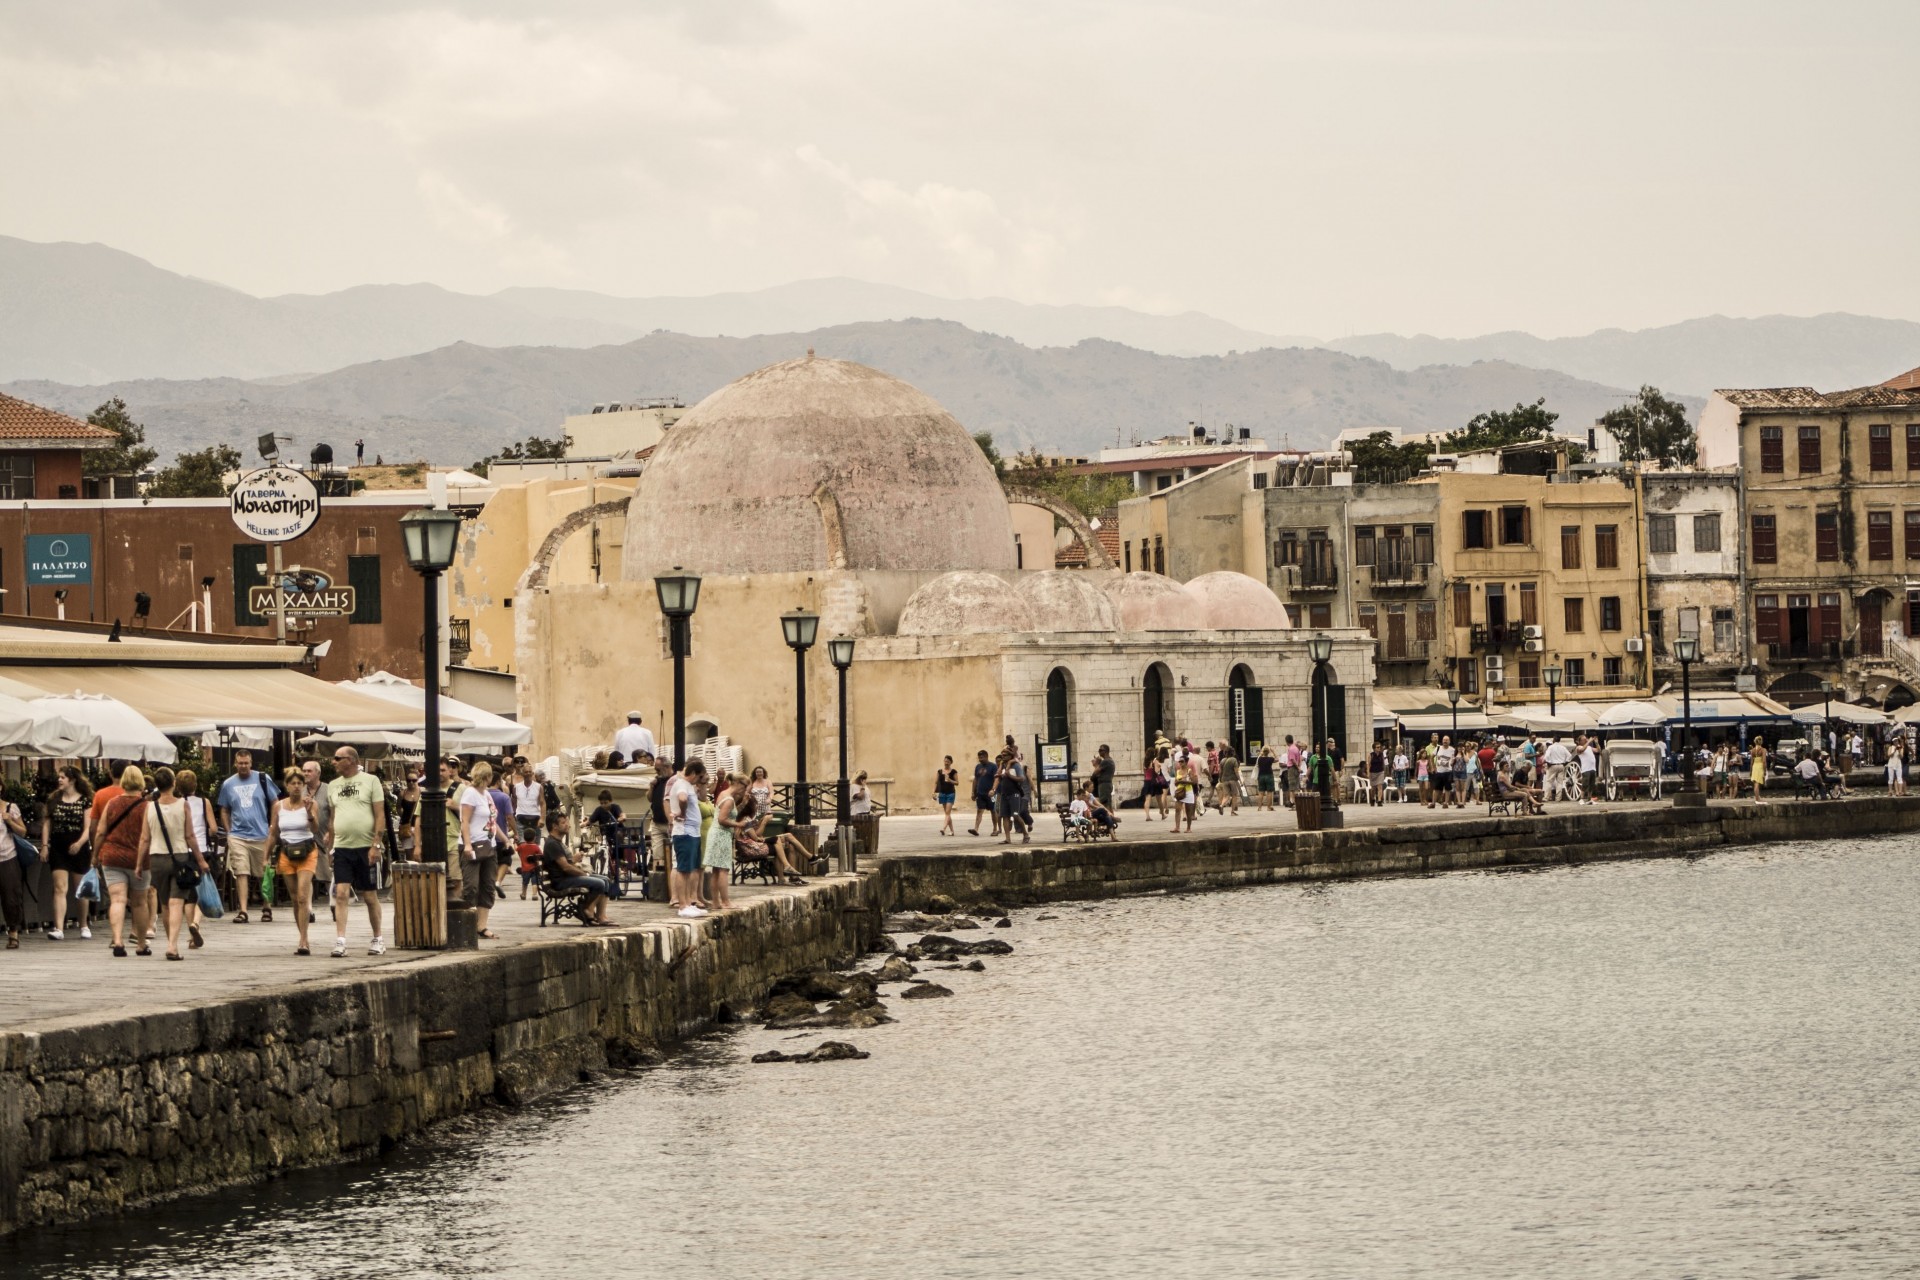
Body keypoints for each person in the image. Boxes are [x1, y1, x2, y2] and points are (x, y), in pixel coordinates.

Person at [325, 747, 387, 958]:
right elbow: (333, 818)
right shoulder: (333, 786)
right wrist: (331, 845)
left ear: (350, 760)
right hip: (343, 847)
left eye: (337, 758)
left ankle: (378, 937)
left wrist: (376, 844)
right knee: (341, 893)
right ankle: (340, 940)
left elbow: (380, 814)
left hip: (366, 846)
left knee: (369, 895)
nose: (333, 762)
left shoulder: (371, 781)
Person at [143, 767, 209, 962]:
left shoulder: (149, 807)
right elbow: (190, 836)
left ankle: (170, 943)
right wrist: (200, 859)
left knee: (165, 904)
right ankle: (172, 945)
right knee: (177, 902)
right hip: (179, 857)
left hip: (156, 858)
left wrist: (139, 864)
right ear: (173, 784)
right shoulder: (183, 805)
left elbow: (144, 839)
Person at [95, 765, 152, 957]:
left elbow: (101, 831)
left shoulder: (112, 803)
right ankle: (141, 944)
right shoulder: (147, 807)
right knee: (140, 903)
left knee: (117, 900)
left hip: (112, 857)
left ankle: (118, 941)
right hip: (140, 859)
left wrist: (95, 855)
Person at [266, 768, 323, 955]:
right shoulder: (278, 806)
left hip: (307, 851)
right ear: (287, 786)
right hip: (286, 852)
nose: (297, 787)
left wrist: (308, 813)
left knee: (302, 896)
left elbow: (315, 829)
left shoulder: (310, 804)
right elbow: (273, 832)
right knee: (293, 898)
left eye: (300, 783)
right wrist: (266, 856)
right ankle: (302, 936)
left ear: (304, 785)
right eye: (293, 783)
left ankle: (304, 940)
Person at [42, 766, 93, 941]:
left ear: (72, 780)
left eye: (63, 777)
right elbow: (47, 824)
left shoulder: (85, 800)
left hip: (79, 846)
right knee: (59, 888)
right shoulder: (54, 799)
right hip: (58, 846)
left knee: (81, 889)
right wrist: (44, 845)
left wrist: (79, 843)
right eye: (59, 777)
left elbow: (88, 827)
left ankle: (84, 924)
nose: (59, 780)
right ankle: (59, 927)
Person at [457, 761, 506, 937]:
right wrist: (468, 845)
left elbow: (492, 820)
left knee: (487, 885)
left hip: (489, 845)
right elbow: (465, 821)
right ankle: (467, 925)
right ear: (487, 777)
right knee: (471, 886)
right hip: (474, 845)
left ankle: (481, 926)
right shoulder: (470, 794)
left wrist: (504, 839)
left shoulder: (486, 794)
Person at [541, 811, 613, 925]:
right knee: (600, 883)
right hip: (561, 881)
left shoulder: (558, 842)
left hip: (567, 877)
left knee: (606, 880)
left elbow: (566, 863)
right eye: (564, 823)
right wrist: (584, 874)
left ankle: (601, 916)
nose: (568, 825)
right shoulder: (552, 844)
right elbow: (565, 868)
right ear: (554, 826)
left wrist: (574, 860)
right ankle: (587, 909)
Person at [667, 759, 709, 917]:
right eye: (699, 777)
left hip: (692, 832)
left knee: (690, 868)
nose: (699, 781)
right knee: (683, 869)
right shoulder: (681, 784)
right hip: (684, 832)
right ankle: (683, 905)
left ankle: (688, 903)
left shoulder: (688, 785)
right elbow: (682, 799)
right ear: (692, 773)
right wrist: (682, 813)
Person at [703, 774, 746, 911]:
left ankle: (716, 902)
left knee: (716, 870)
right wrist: (738, 824)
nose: (744, 791)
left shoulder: (723, 794)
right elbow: (722, 819)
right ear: (739, 784)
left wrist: (742, 802)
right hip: (721, 834)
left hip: (716, 833)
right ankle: (726, 902)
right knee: (723, 869)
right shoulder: (729, 800)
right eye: (745, 788)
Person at [301, 759, 333, 910]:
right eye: (304, 770)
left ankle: (334, 904)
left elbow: (335, 813)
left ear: (318, 773)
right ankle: (309, 910)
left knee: (327, 875)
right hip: (305, 839)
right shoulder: (299, 790)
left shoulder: (328, 789)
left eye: (309, 771)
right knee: (306, 876)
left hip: (324, 838)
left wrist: (331, 832)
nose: (306, 773)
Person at [996, 751, 1031, 845]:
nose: (1003, 757)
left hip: (1014, 794)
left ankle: (1025, 834)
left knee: (1015, 815)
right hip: (1004, 794)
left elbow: (1022, 778)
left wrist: (1010, 775)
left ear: (1010, 756)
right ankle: (1008, 838)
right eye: (1002, 755)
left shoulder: (1016, 766)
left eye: (1005, 755)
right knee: (1005, 816)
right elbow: (998, 777)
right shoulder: (1003, 766)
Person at [511, 761, 546, 844]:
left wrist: (542, 818)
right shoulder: (517, 787)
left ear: (532, 773)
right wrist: (513, 815)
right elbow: (514, 803)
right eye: (526, 772)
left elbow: (542, 803)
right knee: (522, 844)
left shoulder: (538, 787)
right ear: (522, 774)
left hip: (535, 819)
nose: (528, 774)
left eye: (530, 772)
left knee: (535, 844)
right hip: (521, 818)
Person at [967, 749, 997, 837]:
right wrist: (973, 792)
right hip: (980, 793)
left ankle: (995, 829)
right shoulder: (978, 767)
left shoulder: (993, 766)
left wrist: (994, 790)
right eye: (979, 757)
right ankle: (976, 829)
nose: (980, 759)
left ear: (986, 756)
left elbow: (996, 779)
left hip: (991, 794)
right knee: (979, 810)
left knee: (993, 811)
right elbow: (975, 779)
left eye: (982, 757)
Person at [935, 756, 959, 836]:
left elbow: (957, 782)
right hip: (942, 793)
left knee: (947, 812)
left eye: (948, 761)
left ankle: (943, 828)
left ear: (951, 762)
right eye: (945, 761)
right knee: (947, 813)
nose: (946, 762)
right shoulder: (939, 771)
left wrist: (950, 780)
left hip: (951, 793)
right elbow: (936, 782)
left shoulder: (953, 772)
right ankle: (952, 831)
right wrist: (934, 792)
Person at [1432, 737, 1456, 809]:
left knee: (1447, 788)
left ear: (1449, 741)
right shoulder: (1438, 748)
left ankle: (1446, 803)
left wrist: (1452, 763)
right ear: (1442, 741)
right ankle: (1433, 803)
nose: (1445, 741)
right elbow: (1431, 757)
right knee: (1436, 788)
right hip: (1439, 771)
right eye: (1444, 740)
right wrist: (1433, 767)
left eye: (1447, 740)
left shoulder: (1452, 750)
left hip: (1448, 771)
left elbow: (1454, 759)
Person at [1217, 745, 1242, 814]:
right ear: (1232, 752)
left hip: (1224, 780)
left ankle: (1221, 805)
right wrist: (1240, 780)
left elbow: (1220, 771)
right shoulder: (1234, 760)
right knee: (1234, 795)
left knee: (1226, 795)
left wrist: (1220, 779)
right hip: (1232, 780)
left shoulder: (1222, 760)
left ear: (1225, 753)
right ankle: (1232, 811)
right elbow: (1236, 772)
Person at [1577, 735, 1599, 805]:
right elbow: (1582, 750)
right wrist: (1589, 741)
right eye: (1584, 739)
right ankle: (1581, 798)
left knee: (1592, 785)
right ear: (1580, 741)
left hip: (1592, 768)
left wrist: (1596, 743)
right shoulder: (1579, 747)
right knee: (1585, 784)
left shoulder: (1589, 747)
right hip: (1586, 769)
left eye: (1586, 739)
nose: (1586, 740)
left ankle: (1589, 798)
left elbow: (1598, 750)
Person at [1092, 745, 1116, 810]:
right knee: (1108, 804)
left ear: (1105, 751)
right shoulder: (1109, 761)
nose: (1099, 752)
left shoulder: (1106, 761)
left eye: (1100, 750)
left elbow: (1095, 772)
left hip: (1104, 785)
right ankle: (1111, 818)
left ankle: (1109, 818)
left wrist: (1096, 764)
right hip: (1106, 784)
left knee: (1105, 804)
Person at [1255, 745, 1277, 810]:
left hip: (1261, 776)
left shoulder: (1259, 759)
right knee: (1269, 792)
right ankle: (1269, 807)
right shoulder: (1270, 759)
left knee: (1261, 792)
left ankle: (1259, 807)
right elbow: (1277, 759)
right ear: (1268, 752)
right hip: (1269, 775)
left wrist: (1262, 752)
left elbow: (1258, 764)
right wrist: (1273, 751)